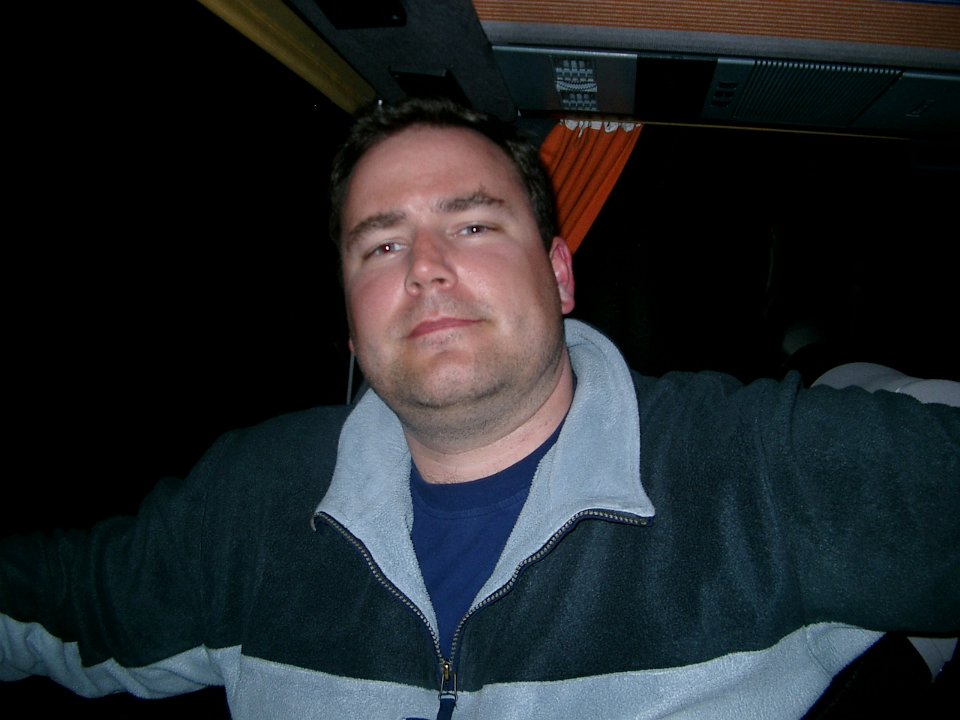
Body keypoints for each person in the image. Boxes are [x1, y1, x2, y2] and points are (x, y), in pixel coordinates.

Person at [1, 96, 958, 720]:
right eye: (381, 246)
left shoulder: (754, 472)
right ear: (350, 321)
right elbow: (52, 605)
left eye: (471, 223)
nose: (425, 268)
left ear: (560, 275)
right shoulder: (248, 505)